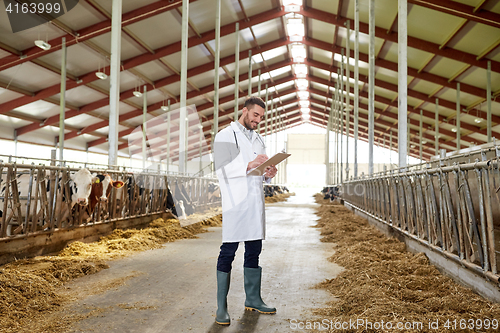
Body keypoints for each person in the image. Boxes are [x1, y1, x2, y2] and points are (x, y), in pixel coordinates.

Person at [213, 96, 278, 326]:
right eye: (255, 115)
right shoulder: (225, 135)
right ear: (244, 111)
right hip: (235, 203)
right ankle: (221, 307)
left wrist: (268, 172)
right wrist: (249, 165)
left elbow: (258, 170)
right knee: (228, 252)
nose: (258, 120)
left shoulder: (258, 139)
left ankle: (253, 298)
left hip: (254, 203)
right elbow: (220, 169)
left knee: (254, 251)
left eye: (261, 117)